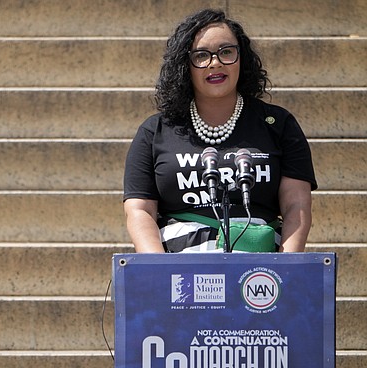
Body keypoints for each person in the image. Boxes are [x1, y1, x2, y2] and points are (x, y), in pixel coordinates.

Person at [123, 9, 317, 253]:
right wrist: (158, 271)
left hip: (259, 275)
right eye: (201, 55)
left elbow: (296, 206)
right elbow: (139, 210)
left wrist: (284, 270)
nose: (215, 63)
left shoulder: (278, 124)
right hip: (178, 272)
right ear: (185, 65)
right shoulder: (155, 131)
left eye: (226, 52)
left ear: (241, 58)